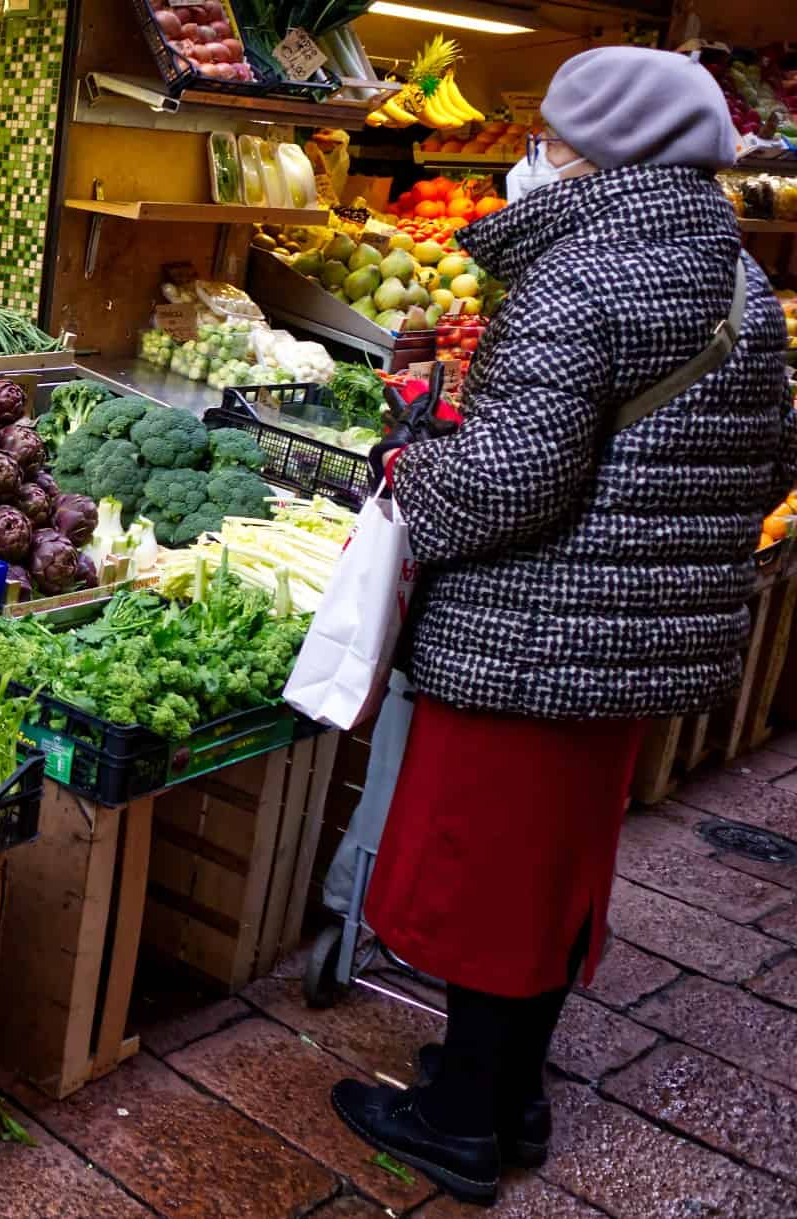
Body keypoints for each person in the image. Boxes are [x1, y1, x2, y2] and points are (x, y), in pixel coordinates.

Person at [328, 45, 797, 1207]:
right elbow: (771, 451)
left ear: (593, 149)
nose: (531, 157)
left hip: (534, 632)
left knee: (489, 875)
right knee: (553, 876)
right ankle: (507, 1088)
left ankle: (457, 1124)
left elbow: (508, 482)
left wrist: (404, 467)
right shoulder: (730, 274)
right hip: (633, 635)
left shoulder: (585, 272)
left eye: (548, 135)